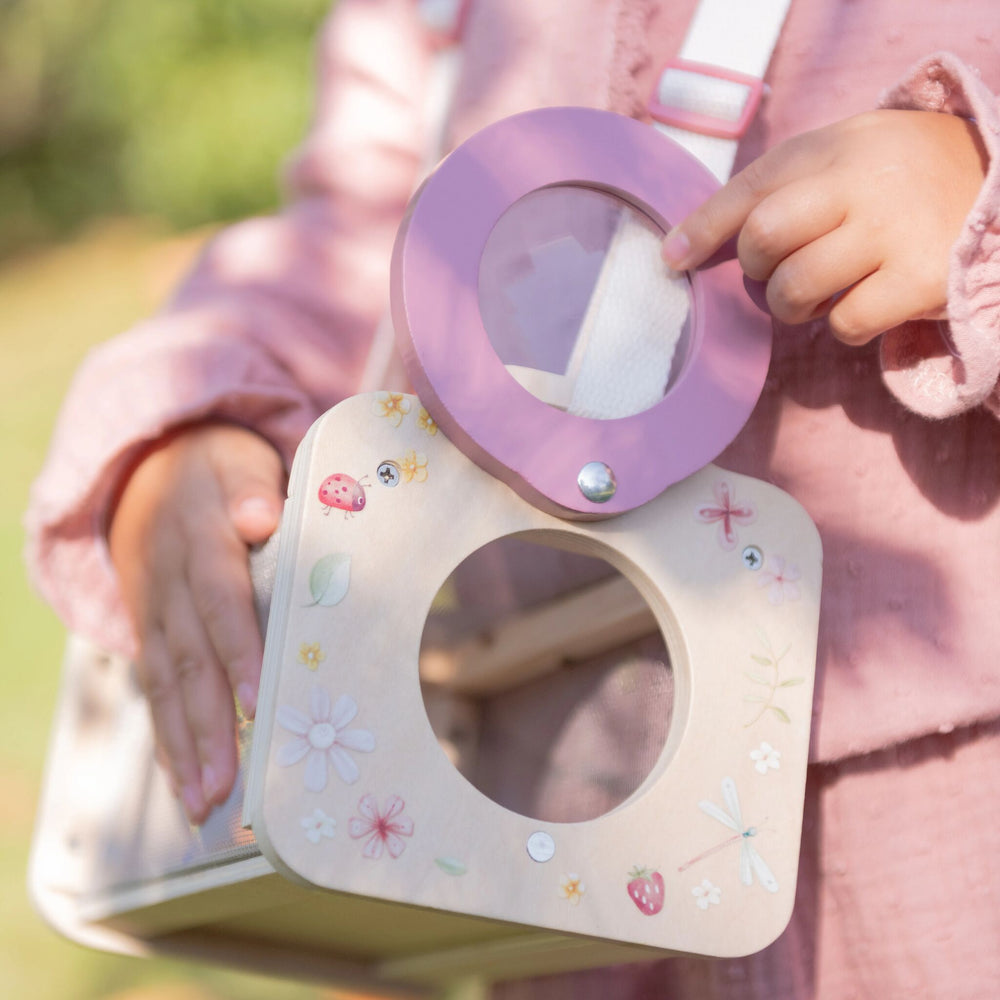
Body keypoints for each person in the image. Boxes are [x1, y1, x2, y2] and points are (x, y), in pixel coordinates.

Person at [25, 0, 1000, 996]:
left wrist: (971, 200)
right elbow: (360, 232)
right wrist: (201, 412)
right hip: (556, 835)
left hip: (944, 813)